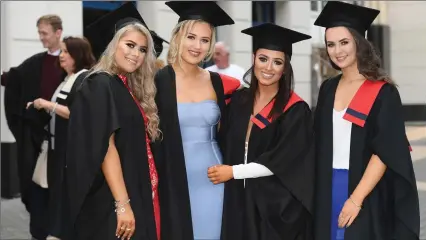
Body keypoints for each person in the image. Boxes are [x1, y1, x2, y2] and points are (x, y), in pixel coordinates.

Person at [312, 2, 420, 240]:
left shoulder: (383, 92)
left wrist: (355, 200)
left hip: (363, 190)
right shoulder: (328, 89)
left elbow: (385, 151)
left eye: (344, 42)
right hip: (326, 186)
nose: (337, 51)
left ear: (359, 42)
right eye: (331, 44)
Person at [207, 23, 315, 240]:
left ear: (285, 68)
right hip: (236, 202)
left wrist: (233, 172)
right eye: (263, 59)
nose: (269, 68)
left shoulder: (294, 109)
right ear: (254, 58)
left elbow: (282, 160)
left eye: (278, 62)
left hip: (273, 209)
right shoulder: (238, 100)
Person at [65, 3, 161, 239]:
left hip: (131, 190)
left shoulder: (123, 85)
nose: (135, 54)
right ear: (113, 45)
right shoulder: (99, 83)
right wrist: (122, 204)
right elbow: (105, 146)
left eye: (142, 50)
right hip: (112, 199)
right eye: (129, 45)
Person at [153, 2, 239, 240]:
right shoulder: (159, 81)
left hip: (214, 176)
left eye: (205, 40)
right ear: (178, 36)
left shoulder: (218, 82)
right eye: (191, 37)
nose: (197, 46)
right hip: (173, 178)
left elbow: (229, 132)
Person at [27, 36, 96, 240]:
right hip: (56, 147)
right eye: (62, 51)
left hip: (69, 150)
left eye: (66, 51)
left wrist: (47, 105)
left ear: (78, 55)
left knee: (63, 195)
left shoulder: (85, 78)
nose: (62, 55)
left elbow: (77, 113)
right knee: (50, 193)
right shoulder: (67, 78)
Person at [2, 14, 64, 240]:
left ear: (58, 32)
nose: (41, 38)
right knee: (34, 188)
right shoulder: (36, 62)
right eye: (39, 33)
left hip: (63, 139)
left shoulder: (70, 62)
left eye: (44, 33)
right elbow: (15, 78)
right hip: (37, 139)